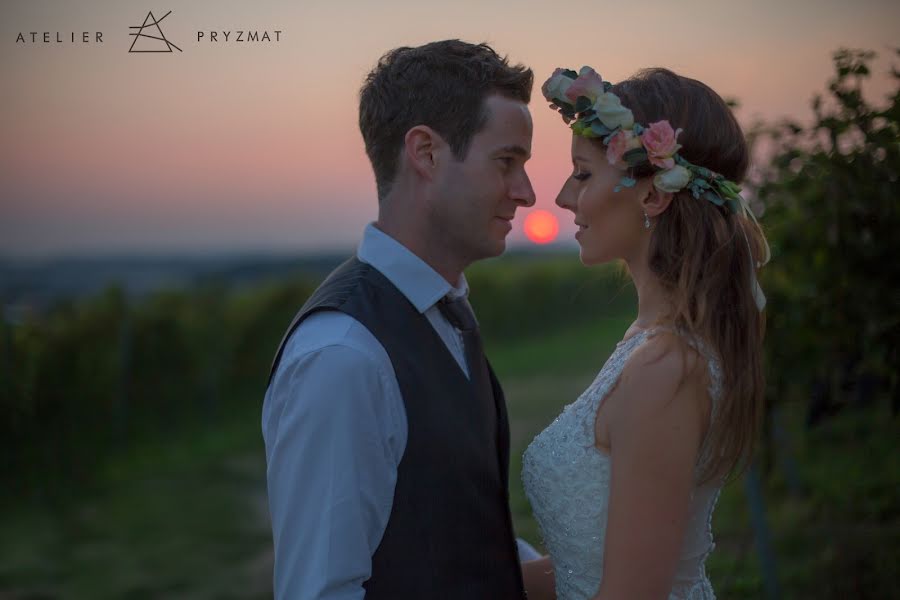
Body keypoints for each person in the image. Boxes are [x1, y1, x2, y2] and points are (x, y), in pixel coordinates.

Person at [261, 39, 537, 599]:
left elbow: (455, 528)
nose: (527, 193)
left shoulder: (446, 315)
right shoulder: (343, 356)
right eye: (507, 162)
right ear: (426, 153)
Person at [521, 66, 770, 599]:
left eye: (583, 174)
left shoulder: (667, 371)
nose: (564, 197)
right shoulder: (651, 342)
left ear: (653, 195)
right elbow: (590, 564)